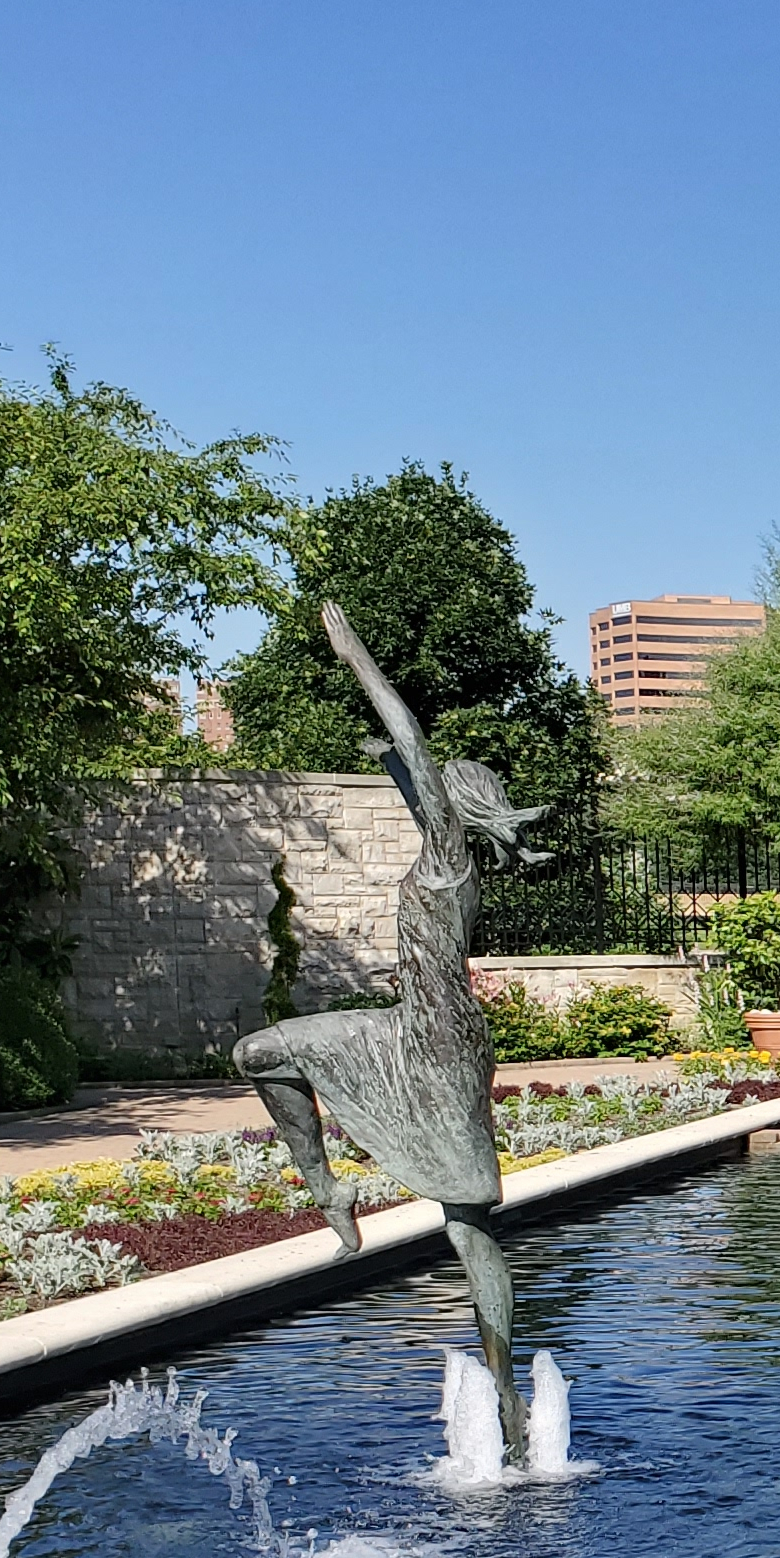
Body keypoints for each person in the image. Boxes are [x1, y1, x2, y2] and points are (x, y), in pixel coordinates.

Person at [232, 603, 534, 1452]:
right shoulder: (450, 863)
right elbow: (418, 778)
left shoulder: (449, 855)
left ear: (457, 808)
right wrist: (396, 766)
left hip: (431, 1040)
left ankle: (503, 1384)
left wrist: (355, 655)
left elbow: (416, 748)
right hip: (415, 1027)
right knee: (265, 1056)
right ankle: (332, 1193)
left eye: (434, 794)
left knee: (465, 1216)